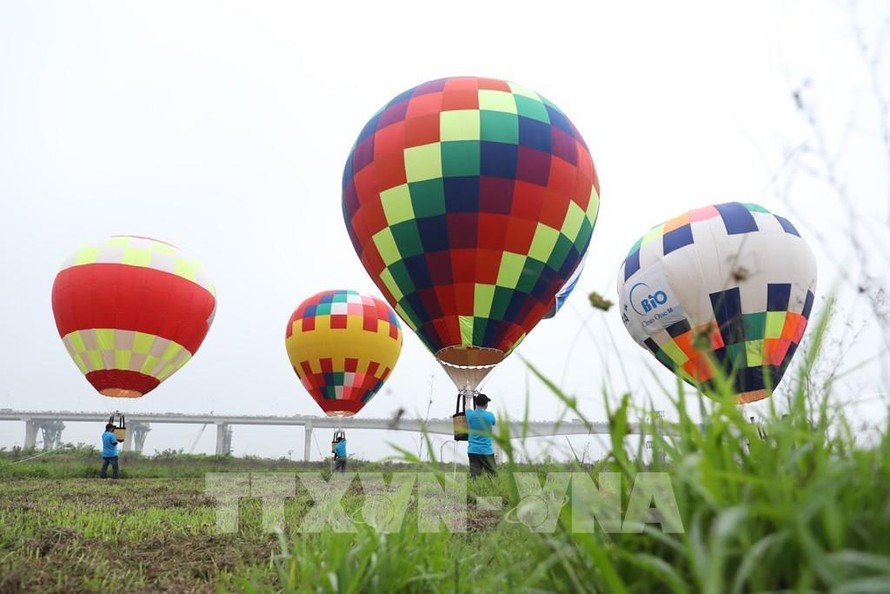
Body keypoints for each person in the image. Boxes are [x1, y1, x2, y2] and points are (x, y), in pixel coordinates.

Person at [466, 393, 497, 478]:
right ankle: (492, 491)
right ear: (486, 404)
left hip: (473, 450)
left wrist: (468, 396)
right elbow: (494, 422)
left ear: (476, 403)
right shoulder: (490, 416)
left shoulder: (470, 415)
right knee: (493, 476)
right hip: (486, 451)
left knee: (475, 477)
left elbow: (467, 406)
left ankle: (474, 491)